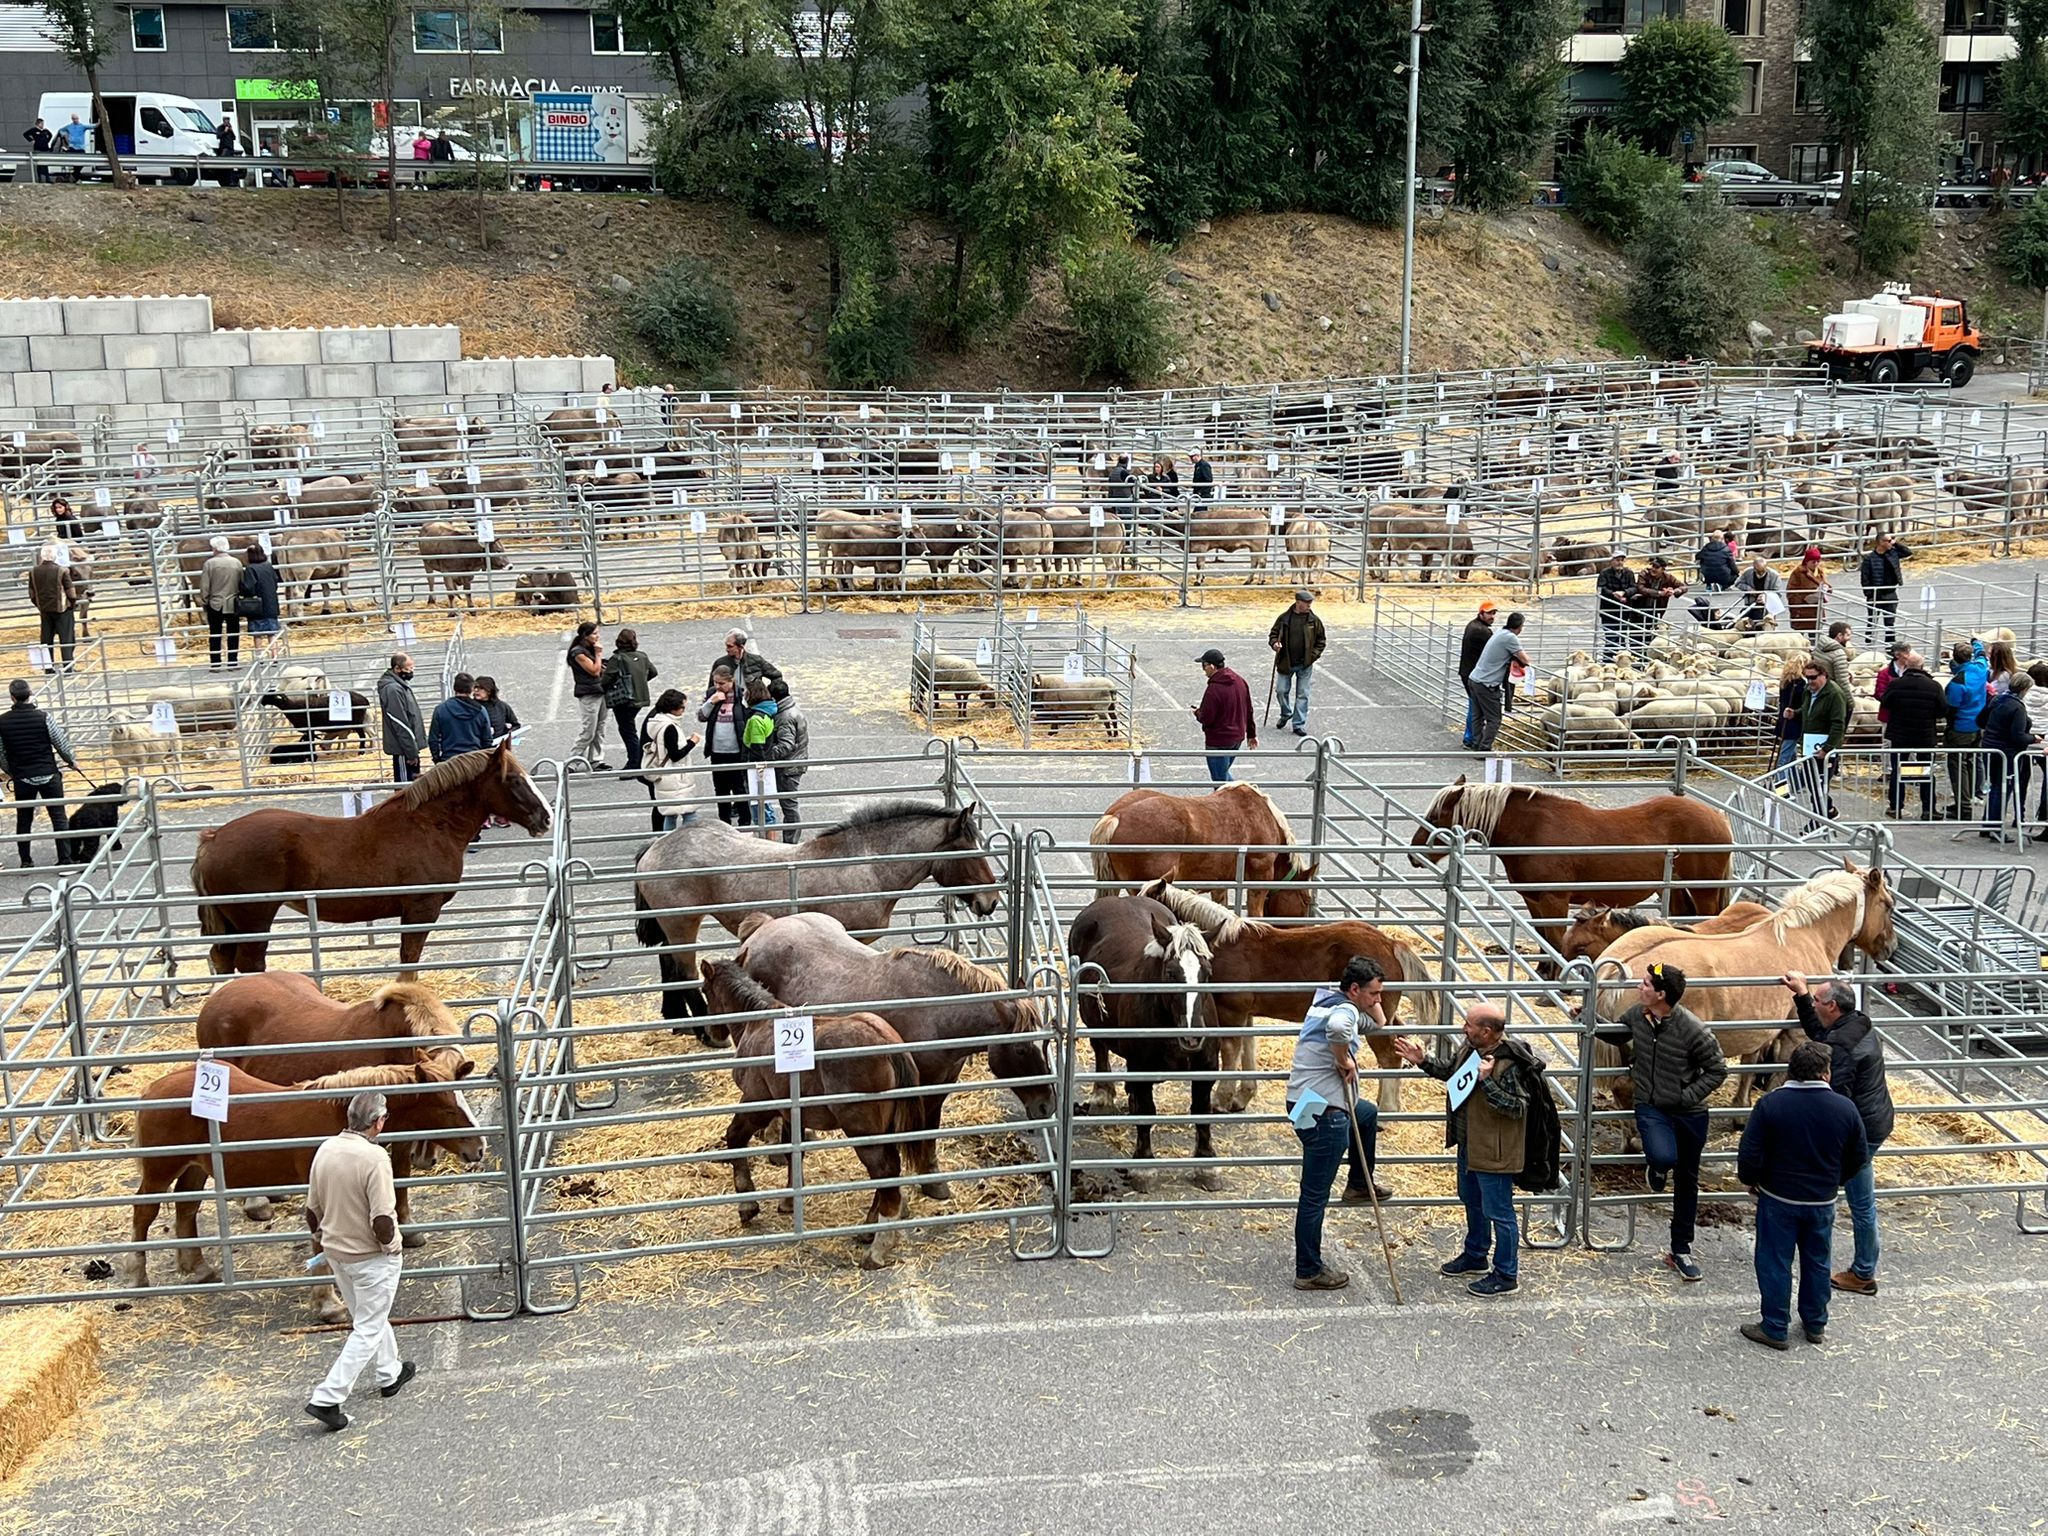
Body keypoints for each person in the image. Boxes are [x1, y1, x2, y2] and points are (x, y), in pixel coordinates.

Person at [1391, 1002, 1540, 1298]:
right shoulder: (1470, 1048)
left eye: (1469, 1025)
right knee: (1471, 1199)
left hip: (1495, 1150)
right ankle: (1475, 1254)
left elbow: (1518, 1106)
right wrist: (1423, 1061)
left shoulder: (1509, 1062)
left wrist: (1487, 1083)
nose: (1463, 1028)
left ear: (1486, 1031)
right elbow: (1452, 1073)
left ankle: (1506, 1274)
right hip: (1471, 1142)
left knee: (1500, 1211)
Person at [1593, 963, 1727, 1284]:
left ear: (1661, 994)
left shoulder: (1693, 1030)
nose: (1639, 988)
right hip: (1651, 1106)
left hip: (1690, 1113)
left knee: (1687, 1180)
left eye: (1644, 984)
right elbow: (1618, 1035)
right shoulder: (1637, 1015)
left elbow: (1717, 1070)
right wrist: (1589, 1020)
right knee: (1664, 1156)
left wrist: (1686, 1096)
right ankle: (1656, 1166)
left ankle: (1680, 1249)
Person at [1735, 1042, 1868, 1352]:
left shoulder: (1770, 1105)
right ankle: (1815, 1322)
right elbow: (1858, 1157)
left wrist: (1752, 1180)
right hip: (1821, 1201)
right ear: (1826, 1073)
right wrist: (1834, 1181)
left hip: (1778, 1197)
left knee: (1774, 1262)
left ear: (1790, 1070)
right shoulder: (1845, 1108)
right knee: (1818, 1262)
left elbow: (1749, 1153)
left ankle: (1775, 1326)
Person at [303, 1092, 416, 1430]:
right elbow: (383, 1218)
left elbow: (312, 1211)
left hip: (337, 1253)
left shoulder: (326, 1149)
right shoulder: (376, 1158)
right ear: (378, 1122)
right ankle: (328, 1397)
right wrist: (393, 1245)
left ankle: (389, 1372)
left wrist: (323, 1239)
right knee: (367, 1326)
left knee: (369, 1315)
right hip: (370, 1257)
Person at [1283, 956, 1394, 1291]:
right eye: (1374, 993)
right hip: (1327, 1113)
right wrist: (1342, 1058)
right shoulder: (1343, 1012)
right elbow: (1338, 1030)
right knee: (1314, 1195)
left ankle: (1359, 1183)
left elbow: (1380, 1024)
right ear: (1355, 988)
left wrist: (1373, 1002)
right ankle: (1308, 1269)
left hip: (1305, 1102)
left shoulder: (1329, 1000)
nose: (1379, 1000)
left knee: (1366, 1113)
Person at [1781, 972, 1893, 1298]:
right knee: (1861, 1199)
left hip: (1863, 1129)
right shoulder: (1856, 1023)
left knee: (1860, 1203)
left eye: (1816, 1000)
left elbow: (1838, 1100)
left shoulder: (1842, 1048)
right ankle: (1863, 1268)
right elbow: (1821, 1036)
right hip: (1874, 1121)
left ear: (1832, 1006)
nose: (1814, 1004)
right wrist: (1801, 995)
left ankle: (1863, 1272)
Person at [0, 679, 81, 869]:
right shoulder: (44, 717)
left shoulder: (2, 722)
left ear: (12, 697)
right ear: (30, 694)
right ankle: (65, 860)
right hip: (49, 774)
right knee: (58, 816)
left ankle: (26, 860)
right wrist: (71, 761)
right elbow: (60, 742)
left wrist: (11, 772)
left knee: (24, 817)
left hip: (23, 778)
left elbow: (1, 753)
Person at [1880, 649, 1944, 820]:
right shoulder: (1934, 686)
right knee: (1926, 770)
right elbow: (1942, 710)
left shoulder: (1895, 684)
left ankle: (1896, 807)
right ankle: (1928, 808)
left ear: (1906, 666)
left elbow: (1885, 702)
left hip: (1900, 733)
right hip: (1924, 734)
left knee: (1898, 770)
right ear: (1922, 666)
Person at [1980, 673, 2041, 840]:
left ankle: (1988, 824)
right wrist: (2033, 738)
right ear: (2024, 689)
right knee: (2002, 789)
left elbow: (1981, 720)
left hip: (1990, 747)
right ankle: (1995, 827)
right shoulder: (2018, 708)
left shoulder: (1997, 700)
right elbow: (2018, 736)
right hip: (2007, 751)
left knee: (1995, 787)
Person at [1467, 611, 1530, 753]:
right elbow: (1526, 660)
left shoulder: (1500, 632)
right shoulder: (1510, 638)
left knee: (1477, 716)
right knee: (1494, 719)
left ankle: (1476, 744)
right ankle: (1484, 748)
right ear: (1520, 627)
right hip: (1486, 684)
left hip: (1475, 679)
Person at [639, 688, 700, 832]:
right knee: (689, 813)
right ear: (672, 708)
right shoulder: (669, 727)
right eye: (682, 707)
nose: (683, 710)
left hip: (665, 777)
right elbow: (676, 755)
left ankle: (666, 842)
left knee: (670, 815)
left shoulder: (657, 721)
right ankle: (687, 842)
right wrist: (692, 742)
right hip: (675, 778)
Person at [1267, 590, 1326, 737]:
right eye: (1307, 603)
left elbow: (1321, 641)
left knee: (1303, 694)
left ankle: (1298, 724)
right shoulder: (1284, 618)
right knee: (1281, 691)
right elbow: (1273, 634)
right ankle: (1286, 713)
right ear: (1298, 602)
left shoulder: (1314, 621)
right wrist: (1275, 644)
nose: (1309, 606)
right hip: (1285, 662)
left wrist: (1312, 656)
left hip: (1305, 664)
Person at [698, 661, 751, 825]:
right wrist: (711, 702)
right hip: (717, 751)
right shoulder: (711, 694)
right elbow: (701, 716)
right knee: (721, 790)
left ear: (731, 681)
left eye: (722, 683)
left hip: (736, 751)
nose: (718, 686)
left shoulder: (741, 695)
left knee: (739, 789)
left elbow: (748, 716)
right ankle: (724, 822)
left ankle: (745, 822)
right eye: (715, 682)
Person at [1191, 648, 1256, 783]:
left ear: (1212, 666)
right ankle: (1240, 796)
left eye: (1204, 666)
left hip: (1218, 741)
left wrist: (1198, 713)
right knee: (1223, 775)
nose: (1203, 670)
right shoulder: (1240, 681)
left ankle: (1241, 798)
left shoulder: (1213, 690)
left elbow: (1207, 718)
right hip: (1237, 738)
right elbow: (1248, 709)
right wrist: (1251, 734)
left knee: (1220, 781)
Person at [1798, 657, 1850, 820]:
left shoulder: (1834, 694)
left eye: (1813, 677)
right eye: (1807, 677)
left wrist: (1827, 748)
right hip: (1809, 745)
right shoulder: (1809, 691)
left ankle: (1820, 817)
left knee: (1819, 783)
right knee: (1813, 782)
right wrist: (1796, 713)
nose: (1810, 681)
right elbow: (1808, 710)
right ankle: (1827, 811)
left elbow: (1838, 723)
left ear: (1823, 675)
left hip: (1823, 748)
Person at [600, 628, 658, 772]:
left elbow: (607, 679)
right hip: (640, 698)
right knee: (629, 727)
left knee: (627, 730)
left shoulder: (617, 659)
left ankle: (634, 761)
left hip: (624, 700)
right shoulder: (642, 656)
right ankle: (636, 759)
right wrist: (640, 682)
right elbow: (653, 672)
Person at [1943, 640, 1989, 820]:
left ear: (1954, 659)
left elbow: (1951, 707)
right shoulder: (1980, 669)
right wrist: (1976, 642)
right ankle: (1967, 798)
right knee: (1970, 763)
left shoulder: (1957, 682)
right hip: (1978, 725)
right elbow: (1982, 655)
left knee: (1958, 767)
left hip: (1960, 727)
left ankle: (1963, 807)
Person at [762, 678, 809, 841]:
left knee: (789, 806)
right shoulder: (792, 709)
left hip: (789, 767)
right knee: (789, 805)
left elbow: (786, 745)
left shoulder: (783, 716)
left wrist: (766, 754)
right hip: (795, 763)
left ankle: (791, 841)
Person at [27, 542, 79, 671]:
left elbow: (31, 593)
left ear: (42, 556)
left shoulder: (33, 571)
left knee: (46, 639)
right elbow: (70, 591)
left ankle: (48, 668)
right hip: (62, 610)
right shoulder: (62, 571)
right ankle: (68, 667)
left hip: (44, 610)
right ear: (55, 556)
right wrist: (72, 604)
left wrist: (39, 605)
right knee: (66, 638)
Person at [739, 676, 781, 835]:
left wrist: (754, 772)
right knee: (766, 809)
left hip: (756, 771)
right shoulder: (768, 713)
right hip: (765, 767)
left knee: (761, 813)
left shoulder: (756, 719)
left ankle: (768, 844)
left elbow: (757, 748)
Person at [566, 621, 608, 769]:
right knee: (588, 730)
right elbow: (594, 671)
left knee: (600, 728)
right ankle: (573, 761)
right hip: (589, 694)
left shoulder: (589, 649)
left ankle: (596, 760)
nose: (598, 636)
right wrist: (598, 654)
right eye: (594, 633)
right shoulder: (578, 652)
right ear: (585, 635)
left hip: (601, 691)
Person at [1858, 533, 1911, 647]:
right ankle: (1869, 643)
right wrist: (1869, 594)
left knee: (1890, 622)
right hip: (1876, 594)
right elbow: (1865, 578)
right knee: (1872, 621)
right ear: (1881, 542)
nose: (1891, 542)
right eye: (1888, 540)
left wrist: (1895, 543)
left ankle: (1890, 645)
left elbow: (1907, 552)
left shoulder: (1893, 553)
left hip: (1890, 592)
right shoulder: (1869, 558)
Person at [199, 536, 243, 670]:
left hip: (215, 602)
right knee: (233, 633)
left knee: (215, 633)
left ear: (215, 548)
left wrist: (205, 599)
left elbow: (204, 586)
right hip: (232, 602)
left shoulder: (210, 564)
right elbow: (241, 582)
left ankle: (215, 663)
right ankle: (232, 662)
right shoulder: (236, 563)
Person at [378, 653, 424, 783]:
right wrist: (411, 752)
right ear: (397, 669)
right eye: (408, 668)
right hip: (403, 751)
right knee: (406, 788)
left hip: (408, 748)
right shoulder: (393, 690)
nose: (411, 671)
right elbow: (400, 723)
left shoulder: (400, 685)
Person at [426, 672, 491, 763]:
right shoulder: (480, 711)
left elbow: (433, 739)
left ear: (454, 688)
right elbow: (487, 739)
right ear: (471, 689)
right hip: (474, 760)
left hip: (449, 762)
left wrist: (437, 759)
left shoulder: (441, 709)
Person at [1457, 602, 1497, 749]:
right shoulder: (1482, 631)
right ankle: (1471, 738)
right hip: (1473, 674)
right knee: (1475, 707)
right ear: (1481, 613)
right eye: (1489, 613)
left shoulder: (1472, 625)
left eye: (1493, 613)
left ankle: (1471, 737)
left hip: (1467, 671)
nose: (1492, 616)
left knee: (1474, 705)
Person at [1634, 557, 1685, 645]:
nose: (1653, 569)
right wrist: (1659, 593)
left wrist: (1674, 591)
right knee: (1637, 632)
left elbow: (1683, 586)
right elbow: (1641, 588)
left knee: (1652, 632)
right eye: (1653, 566)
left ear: (1663, 569)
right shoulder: (1644, 573)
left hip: (1658, 609)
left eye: (1656, 567)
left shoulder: (1668, 577)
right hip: (1641, 608)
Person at [238, 543, 281, 644]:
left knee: (257, 634)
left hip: (257, 606)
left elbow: (249, 588)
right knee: (271, 633)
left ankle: (259, 655)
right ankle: (274, 656)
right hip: (271, 604)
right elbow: (275, 582)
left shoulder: (250, 569)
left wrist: (241, 587)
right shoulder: (268, 566)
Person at [1595, 551, 1635, 661]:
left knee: (1621, 638)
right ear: (1611, 561)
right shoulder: (1604, 573)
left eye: (1622, 560)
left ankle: (1620, 662)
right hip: (1609, 611)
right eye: (1617, 560)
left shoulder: (1629, 573)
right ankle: (1608, 662)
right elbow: (1601, 588)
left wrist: (1625, 593)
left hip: (1624, 611)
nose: (1620, 562)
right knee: (1611, 638)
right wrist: (1614, 594)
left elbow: (1634, 587)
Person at [1772, 652, 1807, 773]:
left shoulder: (1785, 681)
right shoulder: (1801, 684)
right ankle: (1780, 786)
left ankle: (1792, 784)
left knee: (1791, 755)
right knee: (1785, 757)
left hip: (1784, 721)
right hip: (1794, 723)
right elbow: (1804, 704)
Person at [1732, 555, 1784, 632]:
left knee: (1761, 620)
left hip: (1767, 606)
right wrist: (1750, 590)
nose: (1761, 573)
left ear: (1766, 568)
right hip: (1751, 603)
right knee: (1743, 617)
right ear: (1754, 568)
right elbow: (1738, 583)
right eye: (1758, 571)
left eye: (1763, 571)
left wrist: (1766, 596)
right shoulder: (1748, 572)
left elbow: (1778, 592)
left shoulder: (1774, 575)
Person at [2026, 661, 2048, 834]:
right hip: (2045, 740)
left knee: (2019, 777)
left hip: (2026, 739)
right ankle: (2044, 816)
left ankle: (2019, 815)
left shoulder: (2023, 695)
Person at [1786, 548, 1829, 635]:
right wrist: (1803, 600)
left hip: (1815, 610)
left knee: (1815, 636)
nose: (1816, 564)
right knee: (1799, 639)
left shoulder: (1820, 572)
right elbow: (1791, 591)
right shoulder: (1798, 573)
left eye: (1818, 561)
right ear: (1807, 561)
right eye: (1813, 562)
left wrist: (1826, 588)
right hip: (1801, 611)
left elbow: (1827, 584)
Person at [473, 676, 521, 742]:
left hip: (498, 746)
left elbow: (516, 725)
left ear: (489, 691)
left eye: (481, 688)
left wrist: (509, 734)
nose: (476, 691)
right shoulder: (470, 707)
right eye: (475, 687)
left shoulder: (502, 706)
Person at [1812, 620, 1854, 691]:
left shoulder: (1820, 646)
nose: (1850, 638)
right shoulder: (1839, 654)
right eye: (1848, 635)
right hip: (1831, 691)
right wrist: (1850, 701)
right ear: (1840, 636)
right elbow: (1843, 684)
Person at [22, 117, 52, 182]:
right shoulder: (34, 130)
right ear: (38, 124)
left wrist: (47, 141)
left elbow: (50, 135)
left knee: (45, 164)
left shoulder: (45, 131)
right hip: (38, 149)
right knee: (39, 164)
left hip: (45, 149)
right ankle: (40, 179)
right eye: (42, 124)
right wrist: (31, 140)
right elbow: (25, 134)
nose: (43, 125)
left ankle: (47, 178)